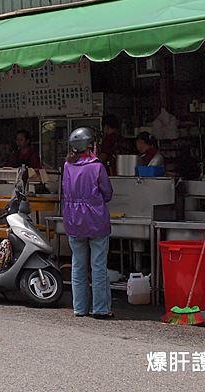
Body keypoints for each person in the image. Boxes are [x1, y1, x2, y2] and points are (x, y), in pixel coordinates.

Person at [61, 127, 114, 319]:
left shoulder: (67, 166)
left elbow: (65, 192)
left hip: (74, 221)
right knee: (98, 266)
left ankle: (79, 308)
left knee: (78, 265)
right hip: (96, 221)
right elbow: (107, 193)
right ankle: (100, 309)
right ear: (90, 145)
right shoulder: (97, 166)